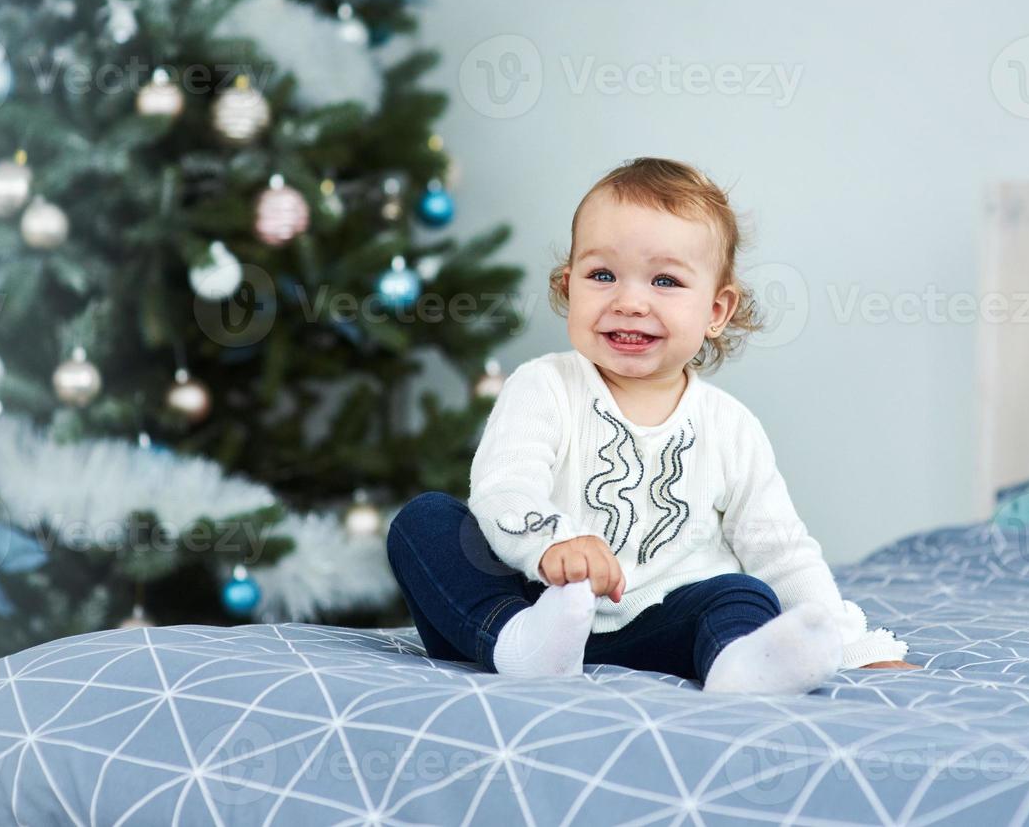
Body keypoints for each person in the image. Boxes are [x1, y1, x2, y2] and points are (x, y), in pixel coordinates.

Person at [388, 157, 915, 694]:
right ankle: (519, 645)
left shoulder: (729, 427)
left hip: (660, 626)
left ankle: (740, 667)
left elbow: (779, 548)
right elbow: (506, 487)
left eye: (665, 280)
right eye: (602, 276)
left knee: (741, 592)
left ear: (717, 309)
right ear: (569, 288)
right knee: (425, 522)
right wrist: (555, 546)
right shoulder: (543, 386)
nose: (630, 302)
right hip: (535, 607)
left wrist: (850, 646)